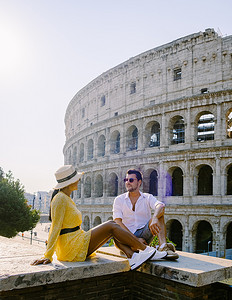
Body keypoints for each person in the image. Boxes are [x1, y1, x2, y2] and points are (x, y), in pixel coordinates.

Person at [31, 165, 166, 270]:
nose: (79, 180)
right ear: (69, 182)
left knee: (113, 229)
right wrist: (48, 255)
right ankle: (146, 251)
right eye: (76, 179)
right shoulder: (60, 199)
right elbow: (55, 226)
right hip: (71, 247)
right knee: (112, 224)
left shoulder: (65, 198)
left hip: (75, 242)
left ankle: (134, 256)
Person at [113, 169, 179, 260]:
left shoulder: (147, 197)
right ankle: (153, 248)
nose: (127, 182)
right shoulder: (119, 199)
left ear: (139, 182)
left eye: (131, 180)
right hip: (127, 236)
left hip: (144, 233)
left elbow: (161, 206)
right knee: (115, 233)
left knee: (159, 214)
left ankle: (163, 246)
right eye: (126, 180)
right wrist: (135, 240)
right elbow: (117, 222)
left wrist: (155, 217)